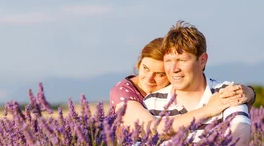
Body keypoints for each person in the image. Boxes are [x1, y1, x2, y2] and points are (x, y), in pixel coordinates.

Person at [109, 37, 255, 137]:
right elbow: (153, 129)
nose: (149, 79)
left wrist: (250, 93)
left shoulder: (176, 87)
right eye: (145, 68)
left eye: (160, 74)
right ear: (138, 64)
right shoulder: (123, 92)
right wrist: (209, 109)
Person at [143, 21, 251, 146]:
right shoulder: (152, 102)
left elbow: (240, 142)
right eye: (168, 61)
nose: (173, 69)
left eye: (182, 60)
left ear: (202, 60)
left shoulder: (225, 93)